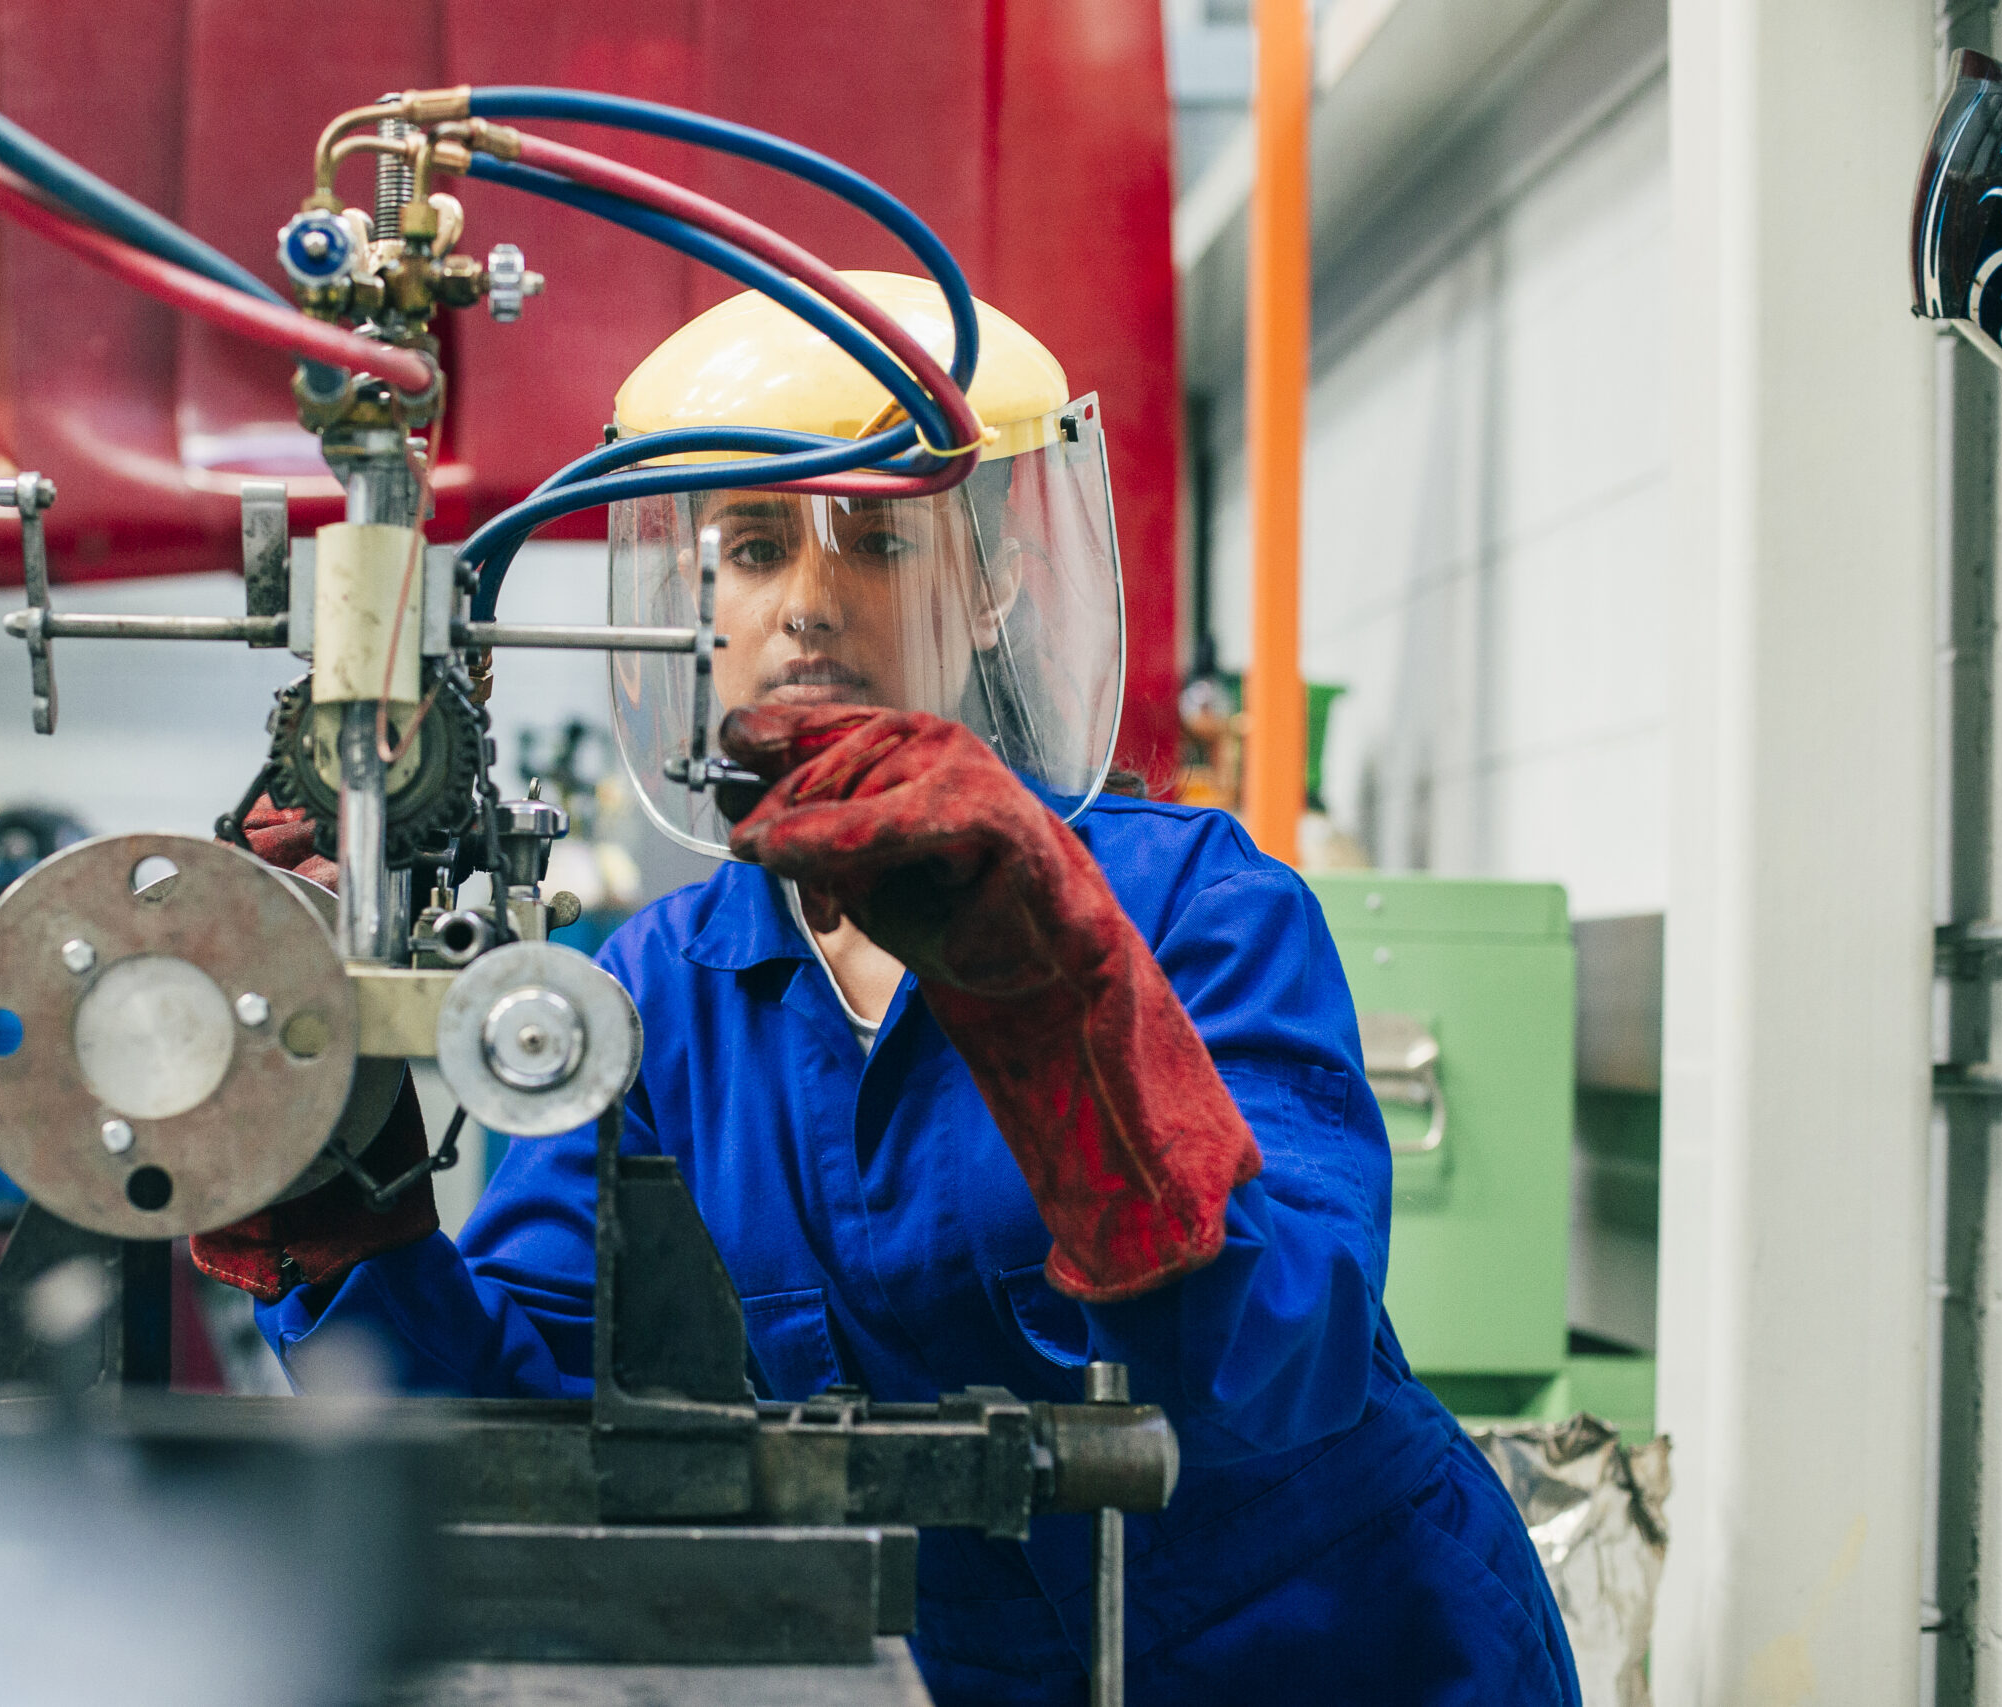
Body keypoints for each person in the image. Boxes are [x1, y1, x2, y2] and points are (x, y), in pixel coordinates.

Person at [194, 274, 1578, 1706]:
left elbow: (1284, 1356)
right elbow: (535, 1430)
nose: (806, 602)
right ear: (696, 606)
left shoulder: (1195, 908)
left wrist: (1053, 993)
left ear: (989, 589)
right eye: (752, 546)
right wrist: (327, 1198)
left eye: (873, 538)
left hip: (1331, 1654)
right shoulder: (656, 999)